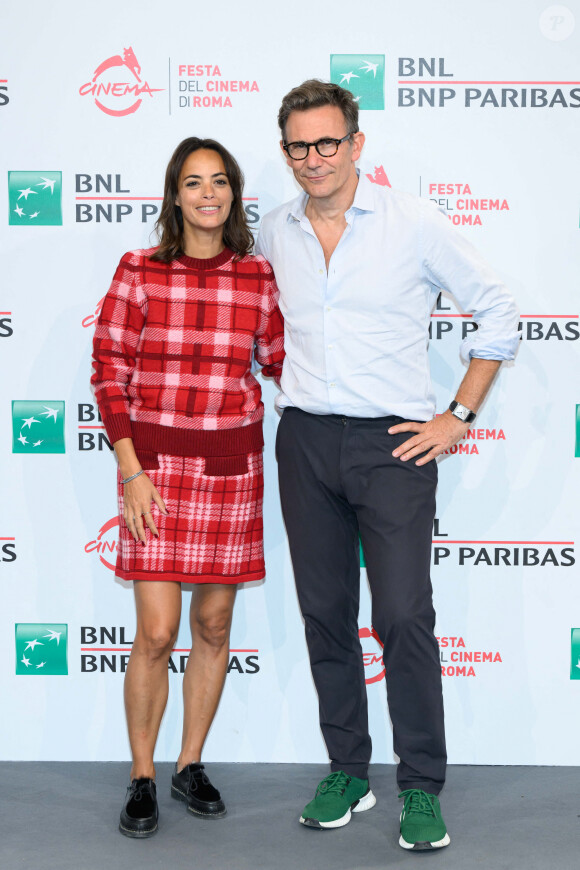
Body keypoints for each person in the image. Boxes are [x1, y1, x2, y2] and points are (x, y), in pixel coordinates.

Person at [256, 80, 518, 852]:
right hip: (305, 441)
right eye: (300, 146)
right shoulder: (274, 231)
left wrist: (458, 416)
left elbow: (498, 310)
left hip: (395, 445)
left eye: (328, 142)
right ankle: (346, 770)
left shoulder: (413, 224)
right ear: (286, 152)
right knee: (324, 615)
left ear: (357, 144)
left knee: (403, 615)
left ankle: (421, 786)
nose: (314, 158)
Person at [91, 137, 284, 838]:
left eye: (221, 182)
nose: (208, 194)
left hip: (232, 470)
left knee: (212, 625)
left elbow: (285, 361)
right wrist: (131, 471)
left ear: (233, 194)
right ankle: (142, 774)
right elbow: (109, 370)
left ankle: (188, 765)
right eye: (194, 182)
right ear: (174, 195)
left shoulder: (259, 277)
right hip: (154, 474)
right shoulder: (138, 269)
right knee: (155, 630)